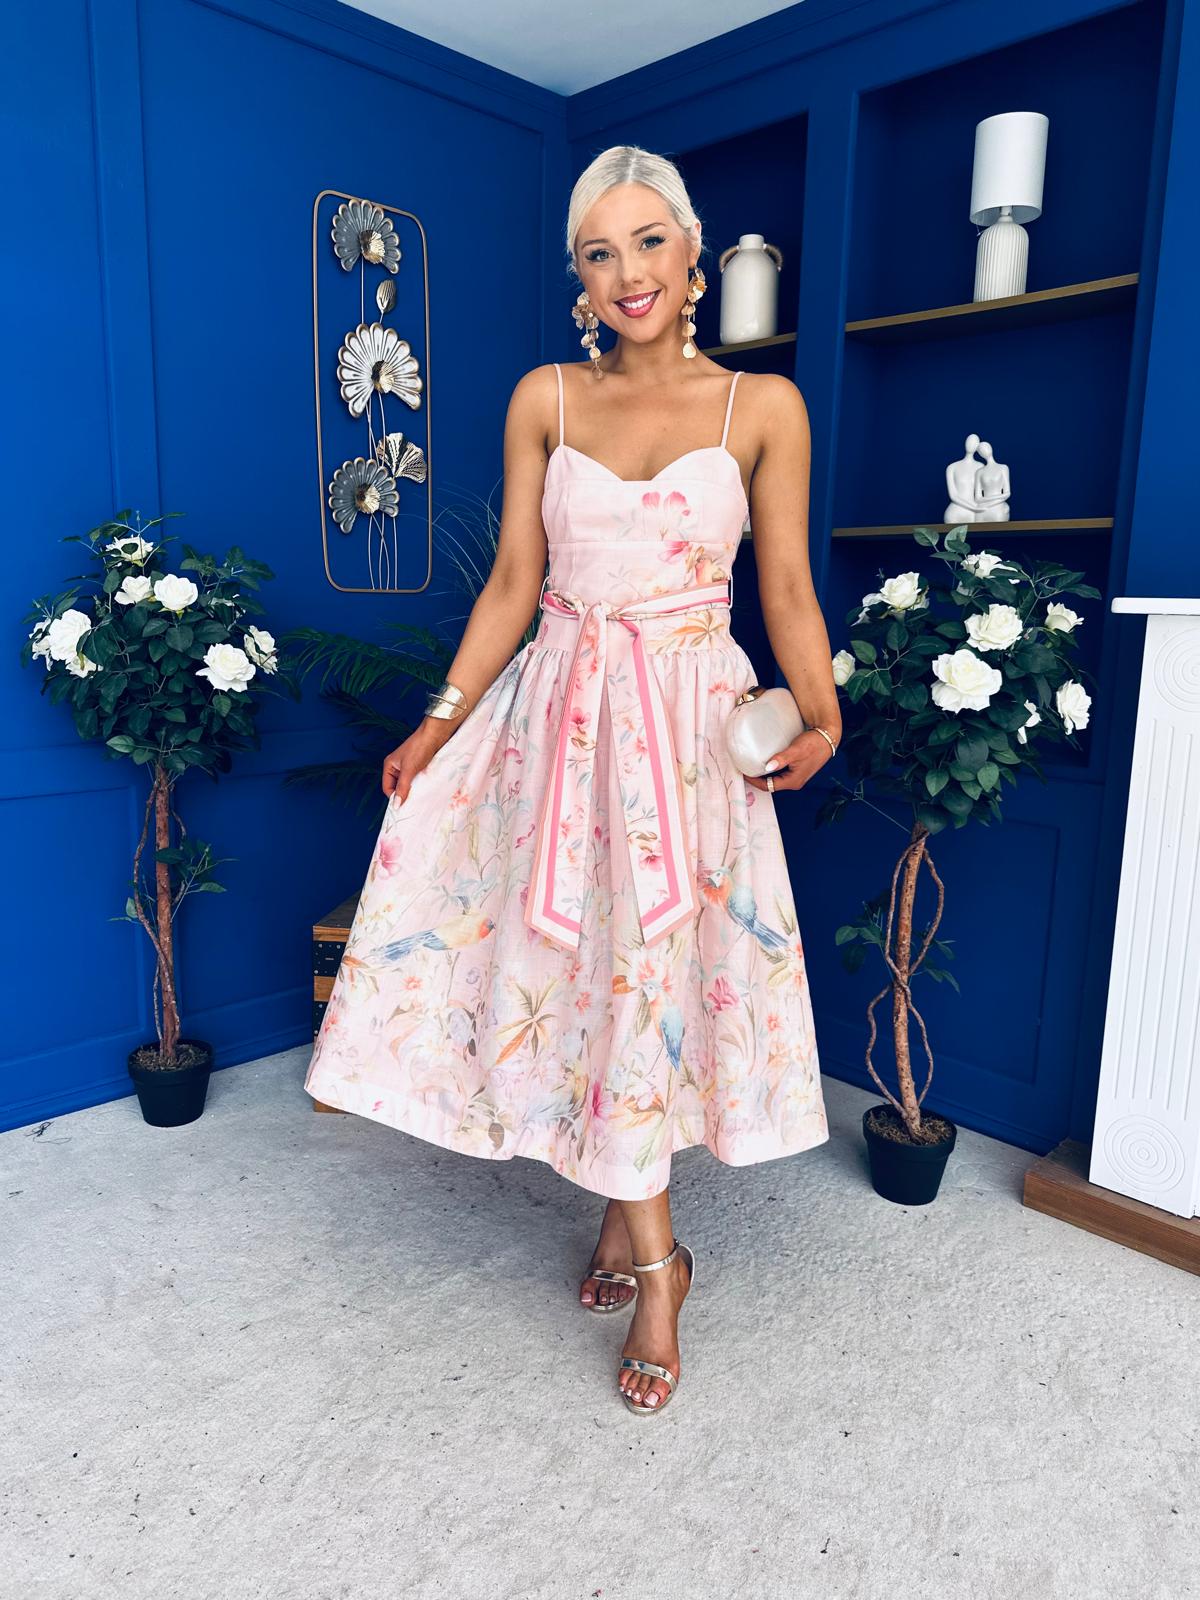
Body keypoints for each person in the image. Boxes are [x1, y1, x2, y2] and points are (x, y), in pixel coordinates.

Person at [305, 143, 840, 1416]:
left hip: (689, 738)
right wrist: (438, 724)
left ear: (694, 255)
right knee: (588, 970)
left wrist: (823, 713)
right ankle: (654, 1251)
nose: (627, 271)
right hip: (561, 726)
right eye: (600, 253)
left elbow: (785, 586)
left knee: (652, 978)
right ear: (580, 280)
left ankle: (647, 1253)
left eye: (648, 241)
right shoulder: (543, 397)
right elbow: (512, 583)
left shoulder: (762, 407)